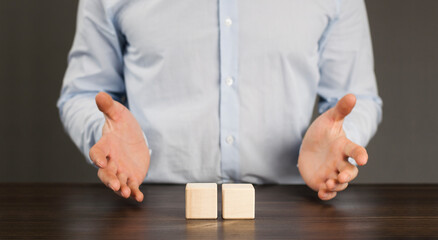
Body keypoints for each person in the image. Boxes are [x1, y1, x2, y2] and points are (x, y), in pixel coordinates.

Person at [57, 0, 382, 202]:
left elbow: (357, 96)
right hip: (148, 206)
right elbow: (83, 93)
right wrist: (104, 137)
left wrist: (343, 137)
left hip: (291, 207)